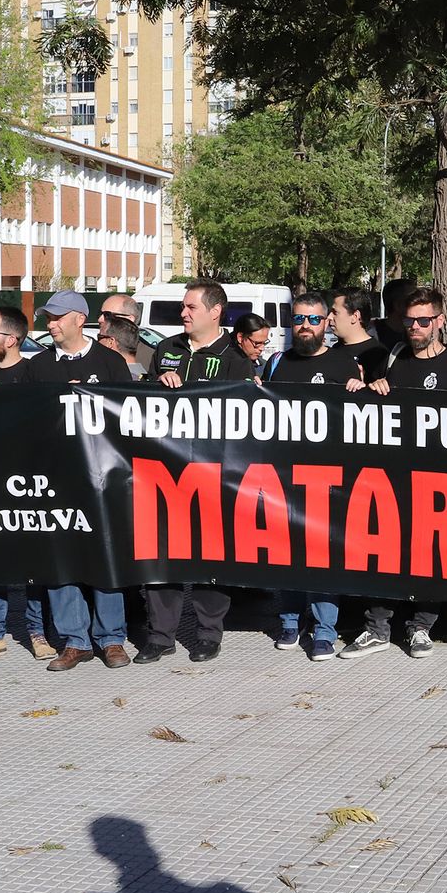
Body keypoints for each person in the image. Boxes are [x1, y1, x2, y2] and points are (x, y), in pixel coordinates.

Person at [351, 287, 447, 658]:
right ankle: (376, 627)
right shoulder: (392, 359)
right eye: (410, 320)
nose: (416, 327)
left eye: (424, 320)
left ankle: (421, 627)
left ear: (439, 321)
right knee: (381, 552)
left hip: (438, 482)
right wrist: (371, 388)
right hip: (392, 480)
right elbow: (369, 410)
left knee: (431, 556)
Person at [138, 283, 254, 665]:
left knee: (210, 556)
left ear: (215, 311)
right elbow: (138, 400)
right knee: (160, 554)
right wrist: (157, 384)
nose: (183, 314)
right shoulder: (166, 348)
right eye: (182, 308)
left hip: (212, 475)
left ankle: (208, 635)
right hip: (163, 473)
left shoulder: (236, 357)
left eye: (190, 307)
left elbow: (246, 416)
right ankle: (160, 636)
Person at [19, 291, 134, 671]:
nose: (49, 324)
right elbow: (26, 422)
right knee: (62, 560)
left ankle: (112, 638)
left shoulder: (111, 362)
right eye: (47, 318)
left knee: (105, 555)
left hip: (103, 481)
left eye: (56, 317)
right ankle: (75, 640)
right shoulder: (38, 366)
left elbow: (128, 420)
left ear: (78, 319)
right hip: (57, 480)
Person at [266, 292, 362, 661]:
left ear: (327, 324)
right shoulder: (277, 363)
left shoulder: (343, 365)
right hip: (285, 477)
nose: (305, 326)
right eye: (298, 319)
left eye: (313, 319)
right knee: (286, 553)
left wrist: (360, 392)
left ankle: (324, 630)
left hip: (330, 479)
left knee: (323, 555)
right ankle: (290, 621)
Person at [0, 306, 55, 665]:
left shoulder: (34, 373)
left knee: (34, 561)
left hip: (29, 481)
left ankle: (37, 631)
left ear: (11, 340)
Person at [330, 286, 390, 382]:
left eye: (335, 312)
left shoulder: (379, 355)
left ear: (355, 316)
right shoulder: (334, 349)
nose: (329, 317)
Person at [100, 292, 157, 370]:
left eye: (108, 315)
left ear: (129, 319)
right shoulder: (98, 350)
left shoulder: (151, 358)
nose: (100, 319)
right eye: (100, 314)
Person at [97, 313, 146, 378]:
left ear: (110, 342)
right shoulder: (146, 378)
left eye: (99, 337)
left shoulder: (115, 380)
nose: (96, 342)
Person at [373, 278, 417, 351]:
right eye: (413, 299)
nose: (420, 302)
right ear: (398, 305)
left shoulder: (421, 332)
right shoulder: (372, 336)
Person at [231, 312, 274, 377]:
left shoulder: (264, 366)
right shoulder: (224, 363)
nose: (262, 348)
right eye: (257, 343)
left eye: (264, 342)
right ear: (240, 338)